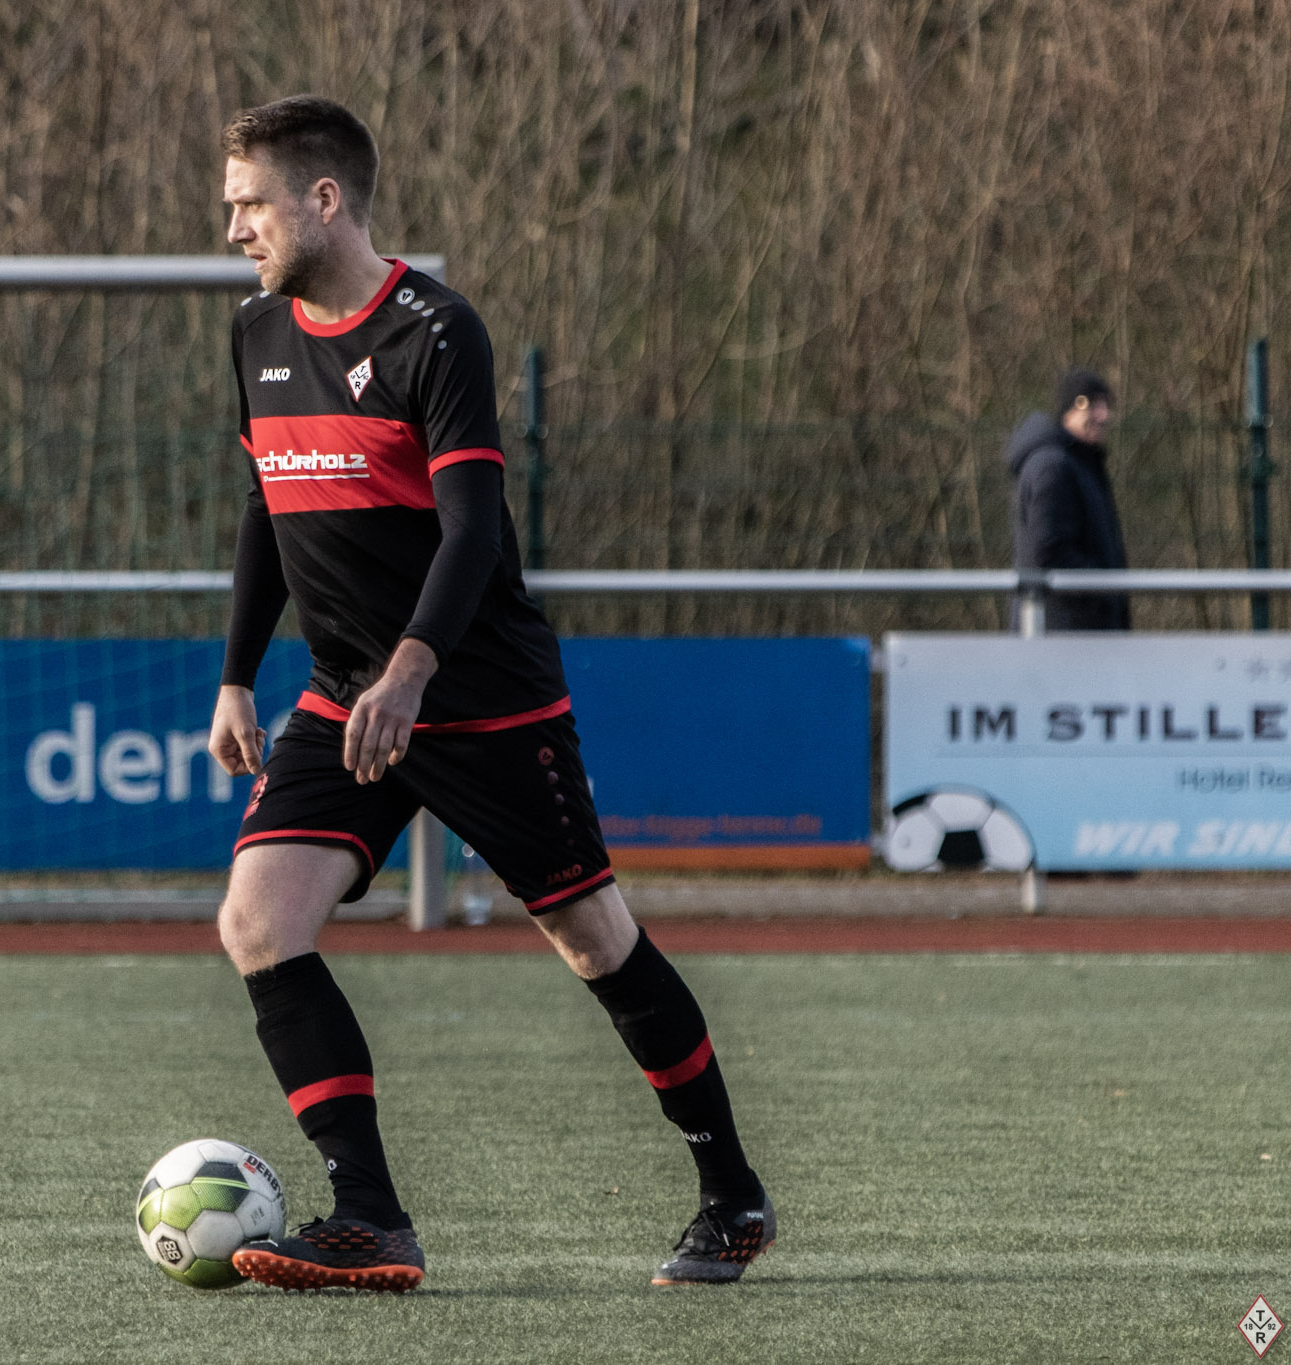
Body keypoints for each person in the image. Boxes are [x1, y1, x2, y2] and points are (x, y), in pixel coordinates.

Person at [206, 95, 773, 1294]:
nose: (233, 228)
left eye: (250, 204)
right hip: (344, 696)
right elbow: (264, 510)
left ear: (323, 199)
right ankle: (368, 1217)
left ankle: (730, 1197)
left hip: (481, 700)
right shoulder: (253, 333)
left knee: (594, 942)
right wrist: (235, 676)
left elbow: (471, 527)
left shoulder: (434, 331)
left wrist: (413, 665)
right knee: (257, 922)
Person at [1006, 369, 1130, 630]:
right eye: (1093, 405)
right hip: (1065, 633)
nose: (1104, 415)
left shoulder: (1081, 466)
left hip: (1081, 630)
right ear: (1070, 409)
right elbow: (1049, 553)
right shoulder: (1053, 467)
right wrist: (1103, 590)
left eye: (1105, 405)